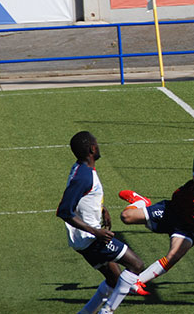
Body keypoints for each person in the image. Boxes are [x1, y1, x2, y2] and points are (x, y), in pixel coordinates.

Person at [56, 131, 145, 314]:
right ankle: (107, 311)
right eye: (96, 143)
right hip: (91, 239)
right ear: (92, 149)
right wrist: (95, 231)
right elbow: (64, 211)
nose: (98, 146)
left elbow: (84, 197)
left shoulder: (81, 169)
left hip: (84, 239)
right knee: (136, 265)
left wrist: (101, 208)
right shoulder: (84, 176)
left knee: (114, 280)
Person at [118, 176, 194, 295]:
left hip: (190, 227)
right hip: (172, 211)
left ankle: (138, 281)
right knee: (126, 217)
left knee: (174, 255)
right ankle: (141, 202)